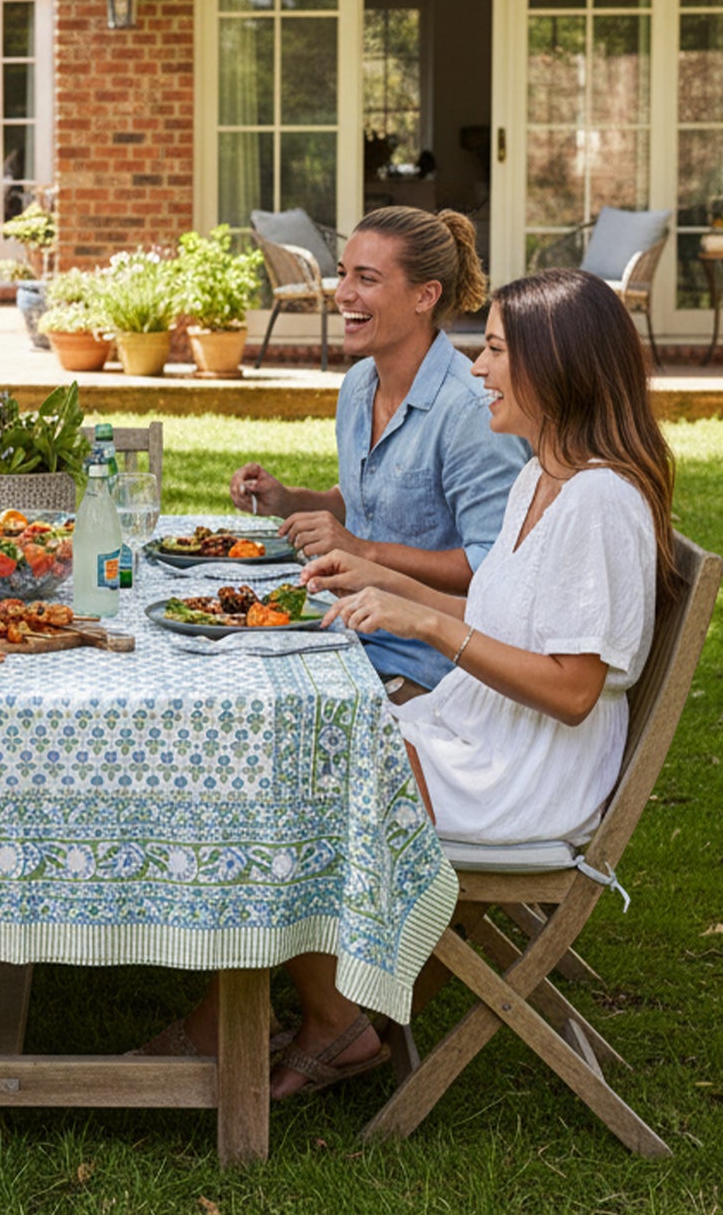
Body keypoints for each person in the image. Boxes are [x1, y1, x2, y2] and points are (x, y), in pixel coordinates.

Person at [146, 268, 676, 1100]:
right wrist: (382, 586)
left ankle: (293, 1022)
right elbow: (493, 606)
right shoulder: (544, 477)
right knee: (294, 751)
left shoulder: (600, 500)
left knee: (301, 782)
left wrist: (432, 624)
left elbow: (573, 688)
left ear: (557, 365)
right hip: (475, 733)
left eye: (496, 351)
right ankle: (324, 1016)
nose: (476, 370)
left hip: (521, 772)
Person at [231, 205, 529, 696]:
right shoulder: (358, 386)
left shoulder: (469, 412)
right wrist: (289, 500)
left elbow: (491, 569)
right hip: (350, 635)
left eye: (366, 279)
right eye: (344, 274)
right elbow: (368, 504)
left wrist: (363, 552)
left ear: (424, 296)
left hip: (428, 670)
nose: (343, 293)